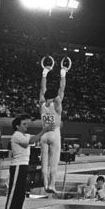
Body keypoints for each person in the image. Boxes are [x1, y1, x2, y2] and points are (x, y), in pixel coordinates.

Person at [1, 115, 46, 209]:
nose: (27, 126)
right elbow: (32, 140)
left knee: (21, 194)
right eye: (24, 124)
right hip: (17, 166)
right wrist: (44, 130)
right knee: (14, 193)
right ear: (17, 126)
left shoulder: (24, 135)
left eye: (27, 124)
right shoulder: (16, 135)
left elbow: (35, 138)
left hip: (24, 166)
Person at [38, 56, 69, 194]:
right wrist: (63, 73)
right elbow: (62, 88)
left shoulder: (42, 103)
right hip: (55, 132)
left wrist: (45, 73)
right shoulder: (57, 104)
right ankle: (52, 184)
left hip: (44, 133)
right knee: (54, 160)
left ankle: (44, 183)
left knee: (44, 160)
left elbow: (42, 88)